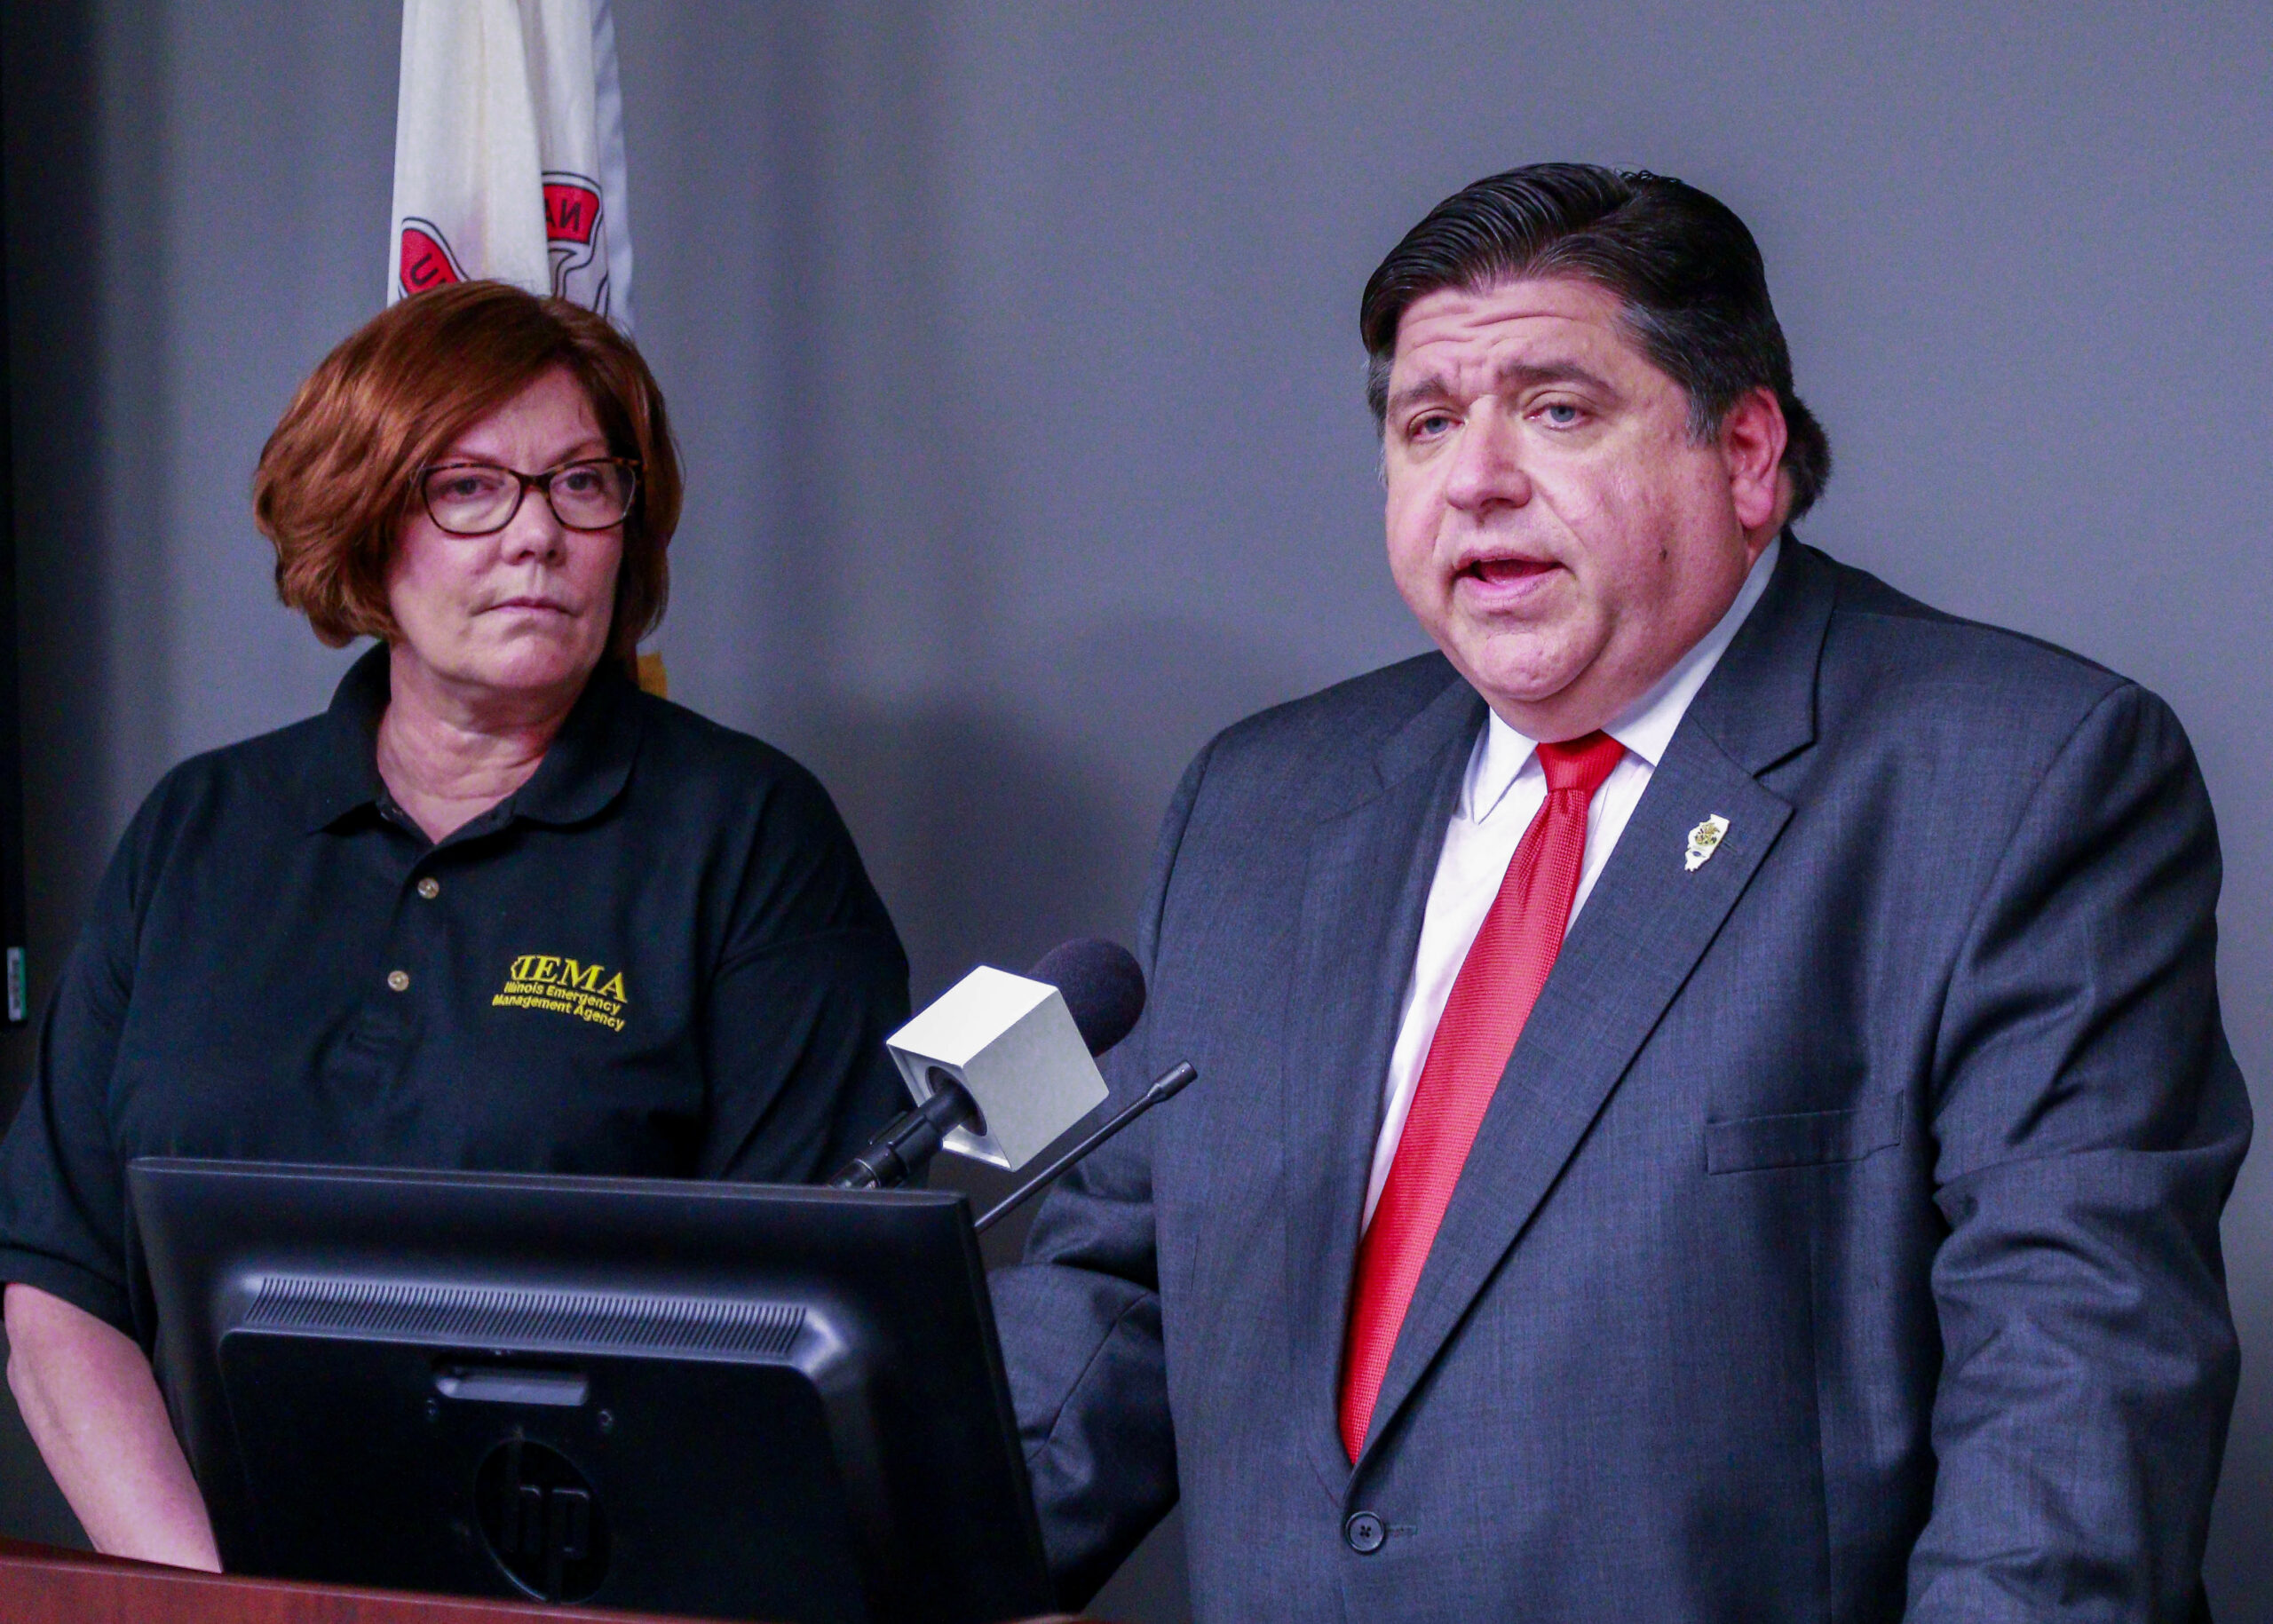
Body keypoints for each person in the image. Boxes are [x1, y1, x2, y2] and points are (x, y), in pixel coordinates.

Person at [990, 164, 2249, 1620]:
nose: (1476, 477)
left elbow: (2071, 1405)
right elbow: (1116, 1302)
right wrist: (815, 1562)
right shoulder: (1260, 807)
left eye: (1559, 409)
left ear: (1749, 455)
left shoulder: (2018, 780)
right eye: (1428, 422)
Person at [0, 281, 912, 1570]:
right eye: (471, 486)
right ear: (366, 524)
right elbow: (58, 1283)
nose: (537, 536)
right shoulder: (197, 831)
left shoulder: (750, 836)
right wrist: (209, 1603)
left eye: (584, 484)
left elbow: (788, 1351)